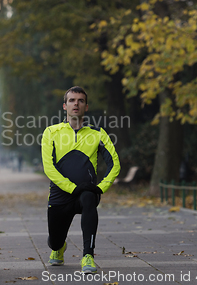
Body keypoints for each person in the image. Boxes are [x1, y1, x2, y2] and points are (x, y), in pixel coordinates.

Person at [41, 86, 120, 274]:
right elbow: (49, 168)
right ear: (64, 106)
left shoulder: (98, 134)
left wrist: (100, 188)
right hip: (60, 194)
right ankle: (59, 248)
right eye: (72, 100)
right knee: (54, 240)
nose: (76, 103)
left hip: (85, 192)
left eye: (80, 101)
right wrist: (72, 188)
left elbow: (115, 164)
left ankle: (88, 255)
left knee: (89, 197)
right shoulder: (51, 132)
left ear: (86, 107)